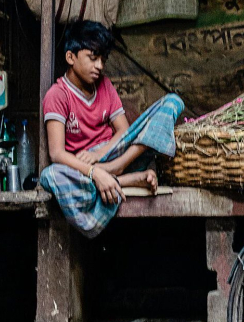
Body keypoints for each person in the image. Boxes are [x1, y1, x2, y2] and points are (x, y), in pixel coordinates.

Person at [39, 20, 184, 237]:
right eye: (93, 57)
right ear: (71, 57)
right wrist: (94, 172)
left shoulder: (104, 85)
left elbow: (124, 131)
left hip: (113, 154)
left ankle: (116, 172)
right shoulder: (57, 95)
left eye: (102, 60)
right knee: (51, 176)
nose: (99, 66)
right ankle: (124, 181)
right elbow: (57, 153)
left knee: (172, 101)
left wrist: (101, 156)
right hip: (82, 168)